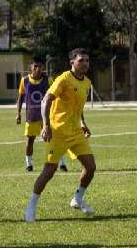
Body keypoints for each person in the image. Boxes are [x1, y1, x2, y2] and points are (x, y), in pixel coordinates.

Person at [26, 49, 97, 221]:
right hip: (57, 132)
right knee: (49, 171)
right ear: (72, 62)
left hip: (76, 133)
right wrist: (46, 125)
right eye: (81, 60)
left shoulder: (87, 82)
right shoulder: (63, 79)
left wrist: (83, 124)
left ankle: (77, 199)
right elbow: (46, 100)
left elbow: (77, 108)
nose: (85, 63)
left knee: (90, 167)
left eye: (87, 60)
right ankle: (31, 207)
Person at [16, 56, 50, 172]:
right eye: (35, 66)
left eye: (40, 66)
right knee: (30, 140)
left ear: (43, 67)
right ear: (31, 67)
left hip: (46, 117)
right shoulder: (24, 80)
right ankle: (29, 164)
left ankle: (59, 162)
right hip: (31, 116)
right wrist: (18, 114)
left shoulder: (47, 80)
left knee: (51, 139)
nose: (37, 68)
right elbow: (20, 97)